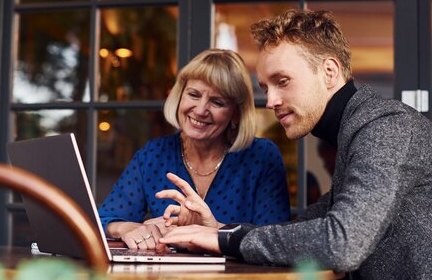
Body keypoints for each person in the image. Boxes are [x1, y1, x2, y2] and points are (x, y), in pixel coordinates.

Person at [157, 9, 432, 280]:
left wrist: (226, 240)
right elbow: (313, 221)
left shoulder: (385, 128)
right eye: (265, 87)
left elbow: (341, 242)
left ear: (329, 72)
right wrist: (219, 229)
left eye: (282, 81)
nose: (270, 100)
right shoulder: (357, 133)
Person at [99, 48, 290, 250]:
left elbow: (275, 240)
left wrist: (207, 232)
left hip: (236, 279)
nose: (200, 110)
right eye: (194, 95)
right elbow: (103, 219)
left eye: (217, 102)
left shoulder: (261, 156)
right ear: (180, 96)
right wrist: (128, 228)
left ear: (236, 114)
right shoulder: (153, 154)